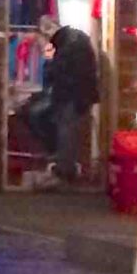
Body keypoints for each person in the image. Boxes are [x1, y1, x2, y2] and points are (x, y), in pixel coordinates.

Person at [36, 12, 100, 185]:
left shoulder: (67, 43)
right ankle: (65, 167)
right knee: (67, 131)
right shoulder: (74, 38)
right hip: (79, 94)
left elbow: (56, 71)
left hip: (72, 95)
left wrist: (48, 55)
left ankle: (64, 171)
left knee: (66, 132)